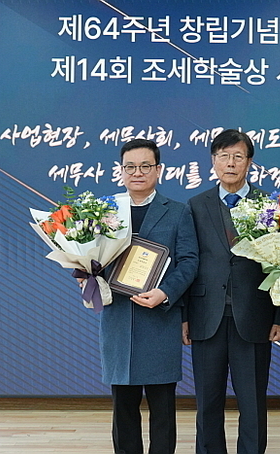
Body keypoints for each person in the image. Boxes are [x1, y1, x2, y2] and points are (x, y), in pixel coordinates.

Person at [185, 129, 280, 454]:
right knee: (207, 402)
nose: (230, 163)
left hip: (255, 317)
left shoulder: (269, 205)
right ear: (213, 161)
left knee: (253, 402)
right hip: (206, 317)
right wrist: (184, 316)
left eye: (238, 157)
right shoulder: (195, 205)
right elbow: (187, 262)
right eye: (224, 156)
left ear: (249, 162)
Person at [96, 138, 198, 454]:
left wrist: (165, 292)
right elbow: (91, 258)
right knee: (123, 406)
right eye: (130, 167)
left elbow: (189, 261)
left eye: (145, 166)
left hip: (159, 318)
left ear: (158, 170)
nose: (137, 173)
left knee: (162, 406)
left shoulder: (178, 212)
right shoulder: (105, 211)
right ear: (121, 171)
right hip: (119, 318)